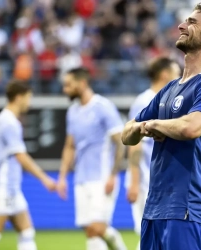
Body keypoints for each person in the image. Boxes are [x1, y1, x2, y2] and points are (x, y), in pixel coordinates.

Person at [121, 3, 201, 250]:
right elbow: (126, 134)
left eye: (192, 22)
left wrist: (152, 124)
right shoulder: (170, 88)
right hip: (153, 210)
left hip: (187, 209)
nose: (182, 25)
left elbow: (192, 127)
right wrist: (143, 128)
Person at [56, 67, 127, 250]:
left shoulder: (102, 107)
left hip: (101, 178)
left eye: (68, 85)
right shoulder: (72, 112)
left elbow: (119, 142)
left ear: (82, 83)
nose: (65, 90)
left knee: (97, 227)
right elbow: (70, 146)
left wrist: (113, 175)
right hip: (81, 179)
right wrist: (62, 177)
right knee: (89, 230)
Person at [0, 80, 56, 250]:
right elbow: (21, 156)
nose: (30, 102)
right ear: (18, 98)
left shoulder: (6, 119)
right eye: (28, 98)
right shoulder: (9, 122)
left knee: (26, 234)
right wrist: (45, 178)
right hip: (2, 187)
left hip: (11, 188)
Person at [126, 57, 181, 250]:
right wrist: (134, 181)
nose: (180, 77)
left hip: (164, 180)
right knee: (148, 236)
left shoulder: (172, 101)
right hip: (145, 181)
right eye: (176, 73)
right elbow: (134, 145)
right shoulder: (144, 100)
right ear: (165, 75)